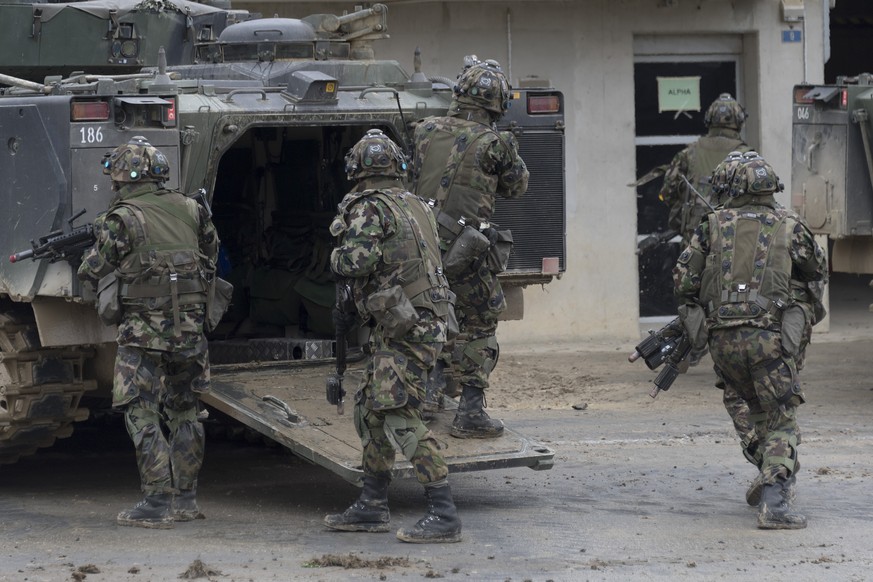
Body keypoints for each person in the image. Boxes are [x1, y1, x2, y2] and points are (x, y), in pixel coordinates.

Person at [673, 154, 828, 529]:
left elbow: (684, 285)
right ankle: (776, 502)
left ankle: (770, 466)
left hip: (723, 343)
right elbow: (816, 272)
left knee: (745, 405)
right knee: (781, 420)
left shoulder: (710, 225)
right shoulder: (791, 225)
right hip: (770, 342)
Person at [323, 129, 462, 543]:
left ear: (356, 170)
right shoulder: (415, 204)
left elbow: (353, 262)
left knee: (398, 412)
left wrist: (333, 249)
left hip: (407, 326)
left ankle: (444, 512)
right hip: (417, 321)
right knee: (369, 409)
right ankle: (372, 505)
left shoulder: (369, 208)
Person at [78, 136, 219, 529]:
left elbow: (91, 270)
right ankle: (186, 500)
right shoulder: (191, 208)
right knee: (187, 410)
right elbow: (211, 250)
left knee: (140, 409)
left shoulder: (121, 218)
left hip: (143, 334)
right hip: (191, 331)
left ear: (122, 179)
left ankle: (156, 501)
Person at [411, 56, 529, 438]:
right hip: (463, 250)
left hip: (421, 247)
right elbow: (516, 187)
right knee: (481, 321)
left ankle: (427, 397)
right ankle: (471, 413)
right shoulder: (495, 143)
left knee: (433, 318)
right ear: (497, 103)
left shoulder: (423, 130)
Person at [659, 93, 751, 246]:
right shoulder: (748, 156)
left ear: (709, 120)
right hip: (735, 242)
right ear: (739, 121)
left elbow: (667, 193)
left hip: (695, 240)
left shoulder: (688, 154)